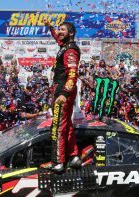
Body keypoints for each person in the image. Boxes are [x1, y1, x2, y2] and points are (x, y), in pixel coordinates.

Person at [43, 18, 81, 173]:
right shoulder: (64, 46)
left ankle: (58, 162)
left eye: (62, 30)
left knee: (58, 126)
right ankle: (74, 156)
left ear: (71, 33)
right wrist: (50, 27)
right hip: (61, 89)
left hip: (63, 91)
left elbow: (73, 74)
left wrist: (64, 93)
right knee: (66, 125)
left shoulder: (70, 50)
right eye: (58, 30)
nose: (59, 32)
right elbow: (57, 37)